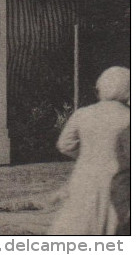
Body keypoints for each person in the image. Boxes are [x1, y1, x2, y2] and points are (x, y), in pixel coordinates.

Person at [50, 66, 130, 235]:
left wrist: (86, 156)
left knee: (77, 227)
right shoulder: (128, 117)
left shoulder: (83, 114)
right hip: (117, 181)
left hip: (84, 177)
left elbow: (65, 144)